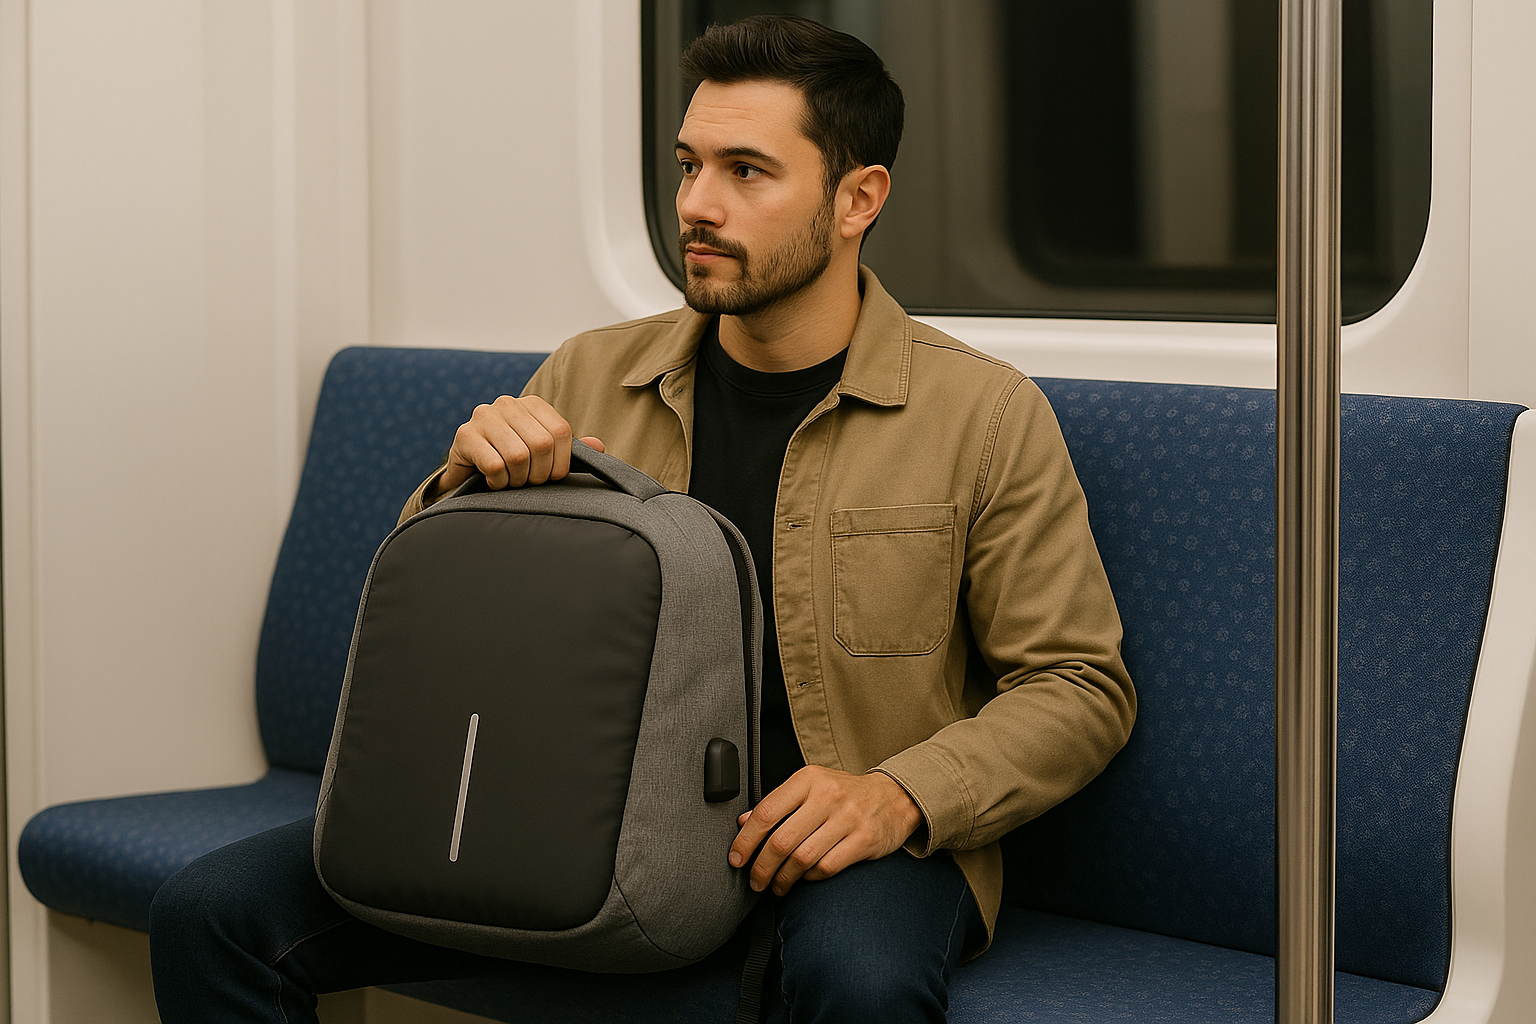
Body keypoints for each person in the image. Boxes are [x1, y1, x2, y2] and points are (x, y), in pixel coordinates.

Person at [149, 14, 1134, 1024]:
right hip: (588, 805)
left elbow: (1080, 684)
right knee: (213, 912)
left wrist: (896, 794)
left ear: (858, 200)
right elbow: (447, 638)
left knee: (863, 986)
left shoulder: (983, 413)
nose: (697, 205)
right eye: (688, 164)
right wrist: (463, 491)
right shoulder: (591, 374)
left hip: (836, 831)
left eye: (746, 171)